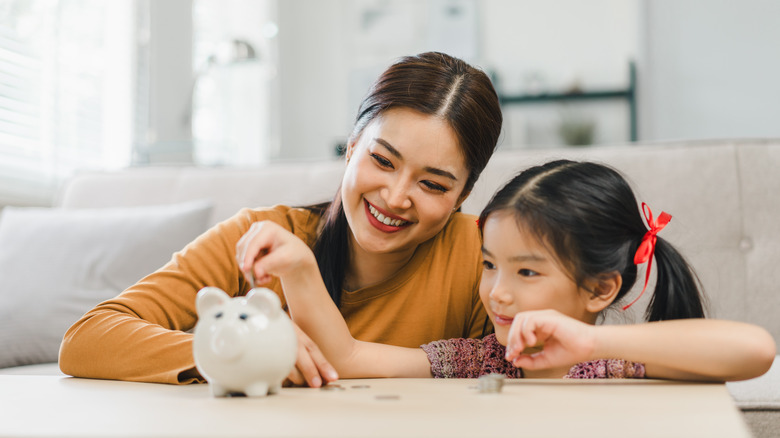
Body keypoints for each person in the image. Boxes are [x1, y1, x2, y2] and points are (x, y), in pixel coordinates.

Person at [58, 51, 503, 386]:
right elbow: (86, 340)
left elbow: (526, 373)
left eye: (433, 185)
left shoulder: (484, 254)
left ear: (463, 193)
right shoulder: (264, 238)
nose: (396, 197)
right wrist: (238, 352)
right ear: (350, 148)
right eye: (383, 161)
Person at [251, 160, 775, 381]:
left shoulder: (616, 366)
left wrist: (592, 344)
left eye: (526, 273)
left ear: (600, 289)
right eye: (488, 266)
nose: (496, 293)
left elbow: (756, 350)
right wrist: (299, 268)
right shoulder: (481, 360)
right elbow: (347, 356)